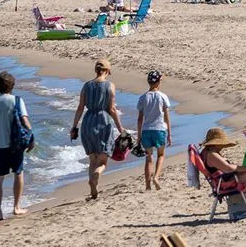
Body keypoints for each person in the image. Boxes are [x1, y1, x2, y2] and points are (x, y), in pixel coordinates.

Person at [70, 59, 128, 200]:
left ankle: (93, 191)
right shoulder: (110, 85)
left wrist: (74, 126)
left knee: (92, 159)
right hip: (103, 121)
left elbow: (80, 107)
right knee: (102, 161)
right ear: (107, 70)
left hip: (88, 122)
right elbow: (112, 109)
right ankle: (97, 175)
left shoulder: (87, 85)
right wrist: (121, 128)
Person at [0, 71, 31, 221]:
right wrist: (31, 138)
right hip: (16, 145)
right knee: (18, 173)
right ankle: (16, 207)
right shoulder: (17, 100)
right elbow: (25, 121)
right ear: (12, 85)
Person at [137, 70, 172, 191]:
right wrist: (169, 134)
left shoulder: (143, 97)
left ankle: (148, 186)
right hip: (159, 129)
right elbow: (166, 116)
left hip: (146, 130)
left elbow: (140, 119)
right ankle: (156, 177)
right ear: (158, 82)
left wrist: (139, 135)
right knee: (161, 155)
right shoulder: (162, 96)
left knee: (148, 158)